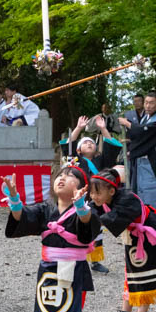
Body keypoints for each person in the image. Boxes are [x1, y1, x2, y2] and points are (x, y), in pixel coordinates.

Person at [4, 165, 99, 312]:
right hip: (47, 272)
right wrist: (14, 197)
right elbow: (22, 219)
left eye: (70, 177)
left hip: (73, 273)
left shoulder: (84, 209)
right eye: (60, 175)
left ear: (81, 186)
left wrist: (80, 206)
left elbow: (89, 225)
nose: (62, 179)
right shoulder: (46, 208)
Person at [89, 168, 156, 312]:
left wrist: (93, 219)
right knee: (130, 274)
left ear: (111, 191)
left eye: (97, 193)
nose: (93, 197)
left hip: (146, 237)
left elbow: (108, 219)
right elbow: (91, 212)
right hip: (132, 237)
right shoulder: (105, 199)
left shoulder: (127, 199)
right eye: (91, 192)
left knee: (144, 275)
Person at [59, 115, 123, 273]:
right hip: (78, 198)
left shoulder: (102, 161)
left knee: (96, 229)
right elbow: (69, 145)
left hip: (96, 199)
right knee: (73, 228)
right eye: (85, 142)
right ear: (79, 149)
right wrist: (79, 128)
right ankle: (71, 258)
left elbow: (112, 146)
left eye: (91, 143)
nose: (89, 143)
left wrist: (103, 128)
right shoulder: (74, 160)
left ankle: (94, 261)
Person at [118, 91, 156, 215]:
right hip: (143, 156)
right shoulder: (146, 117)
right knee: (142, 186)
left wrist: (127, 123)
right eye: (146, 102)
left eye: (151, 103)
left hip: (154, 156)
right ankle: (145, 211)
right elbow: (139, 137)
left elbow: (143, 133)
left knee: (152, 186)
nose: (148, 106)